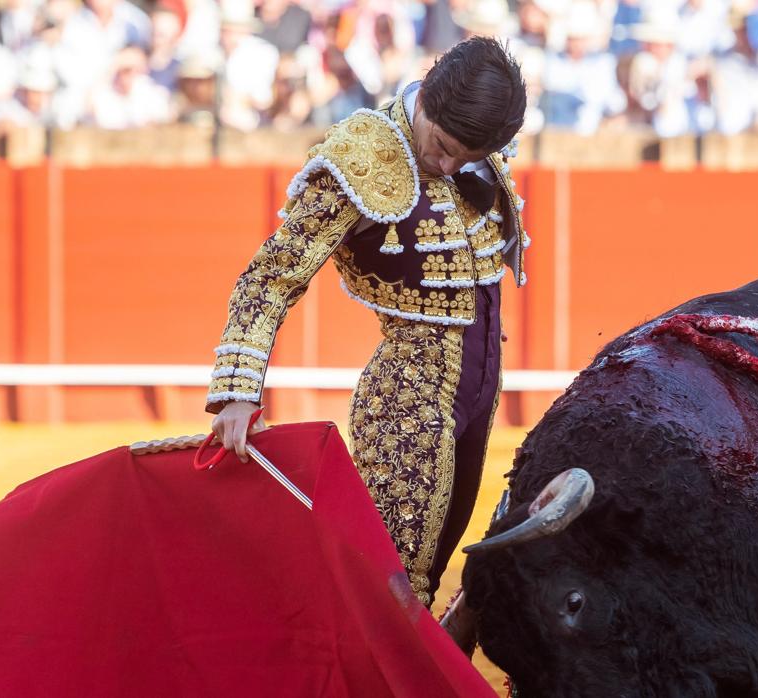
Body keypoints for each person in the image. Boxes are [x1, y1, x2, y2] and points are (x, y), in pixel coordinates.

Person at [207, 36, 528, 608]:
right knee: (391, 588)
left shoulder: (474, 139)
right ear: (426, 98)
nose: (450, 165)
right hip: (409, 400)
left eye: (466, 155)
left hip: (479, 396)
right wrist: (236, 390)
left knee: (429, 576)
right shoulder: (361, 158)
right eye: (443, 146)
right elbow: (271, 277)